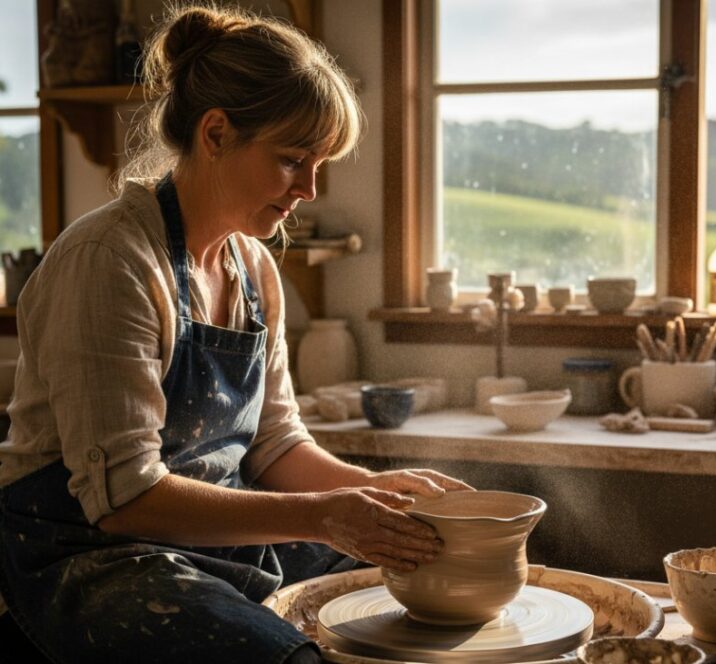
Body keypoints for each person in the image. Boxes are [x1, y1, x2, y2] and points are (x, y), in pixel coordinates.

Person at [0, 5, 470, 663]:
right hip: (87, 553)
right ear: (216, 133)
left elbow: (275, 443)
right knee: (294, 656)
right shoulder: (110, 261)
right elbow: (124, 498)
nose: (309, 189)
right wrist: (323, 513)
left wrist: (372, 494)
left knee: (405, 571)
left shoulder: (252, 266)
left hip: (207, 534)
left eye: (319, 164)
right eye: (292, 160)